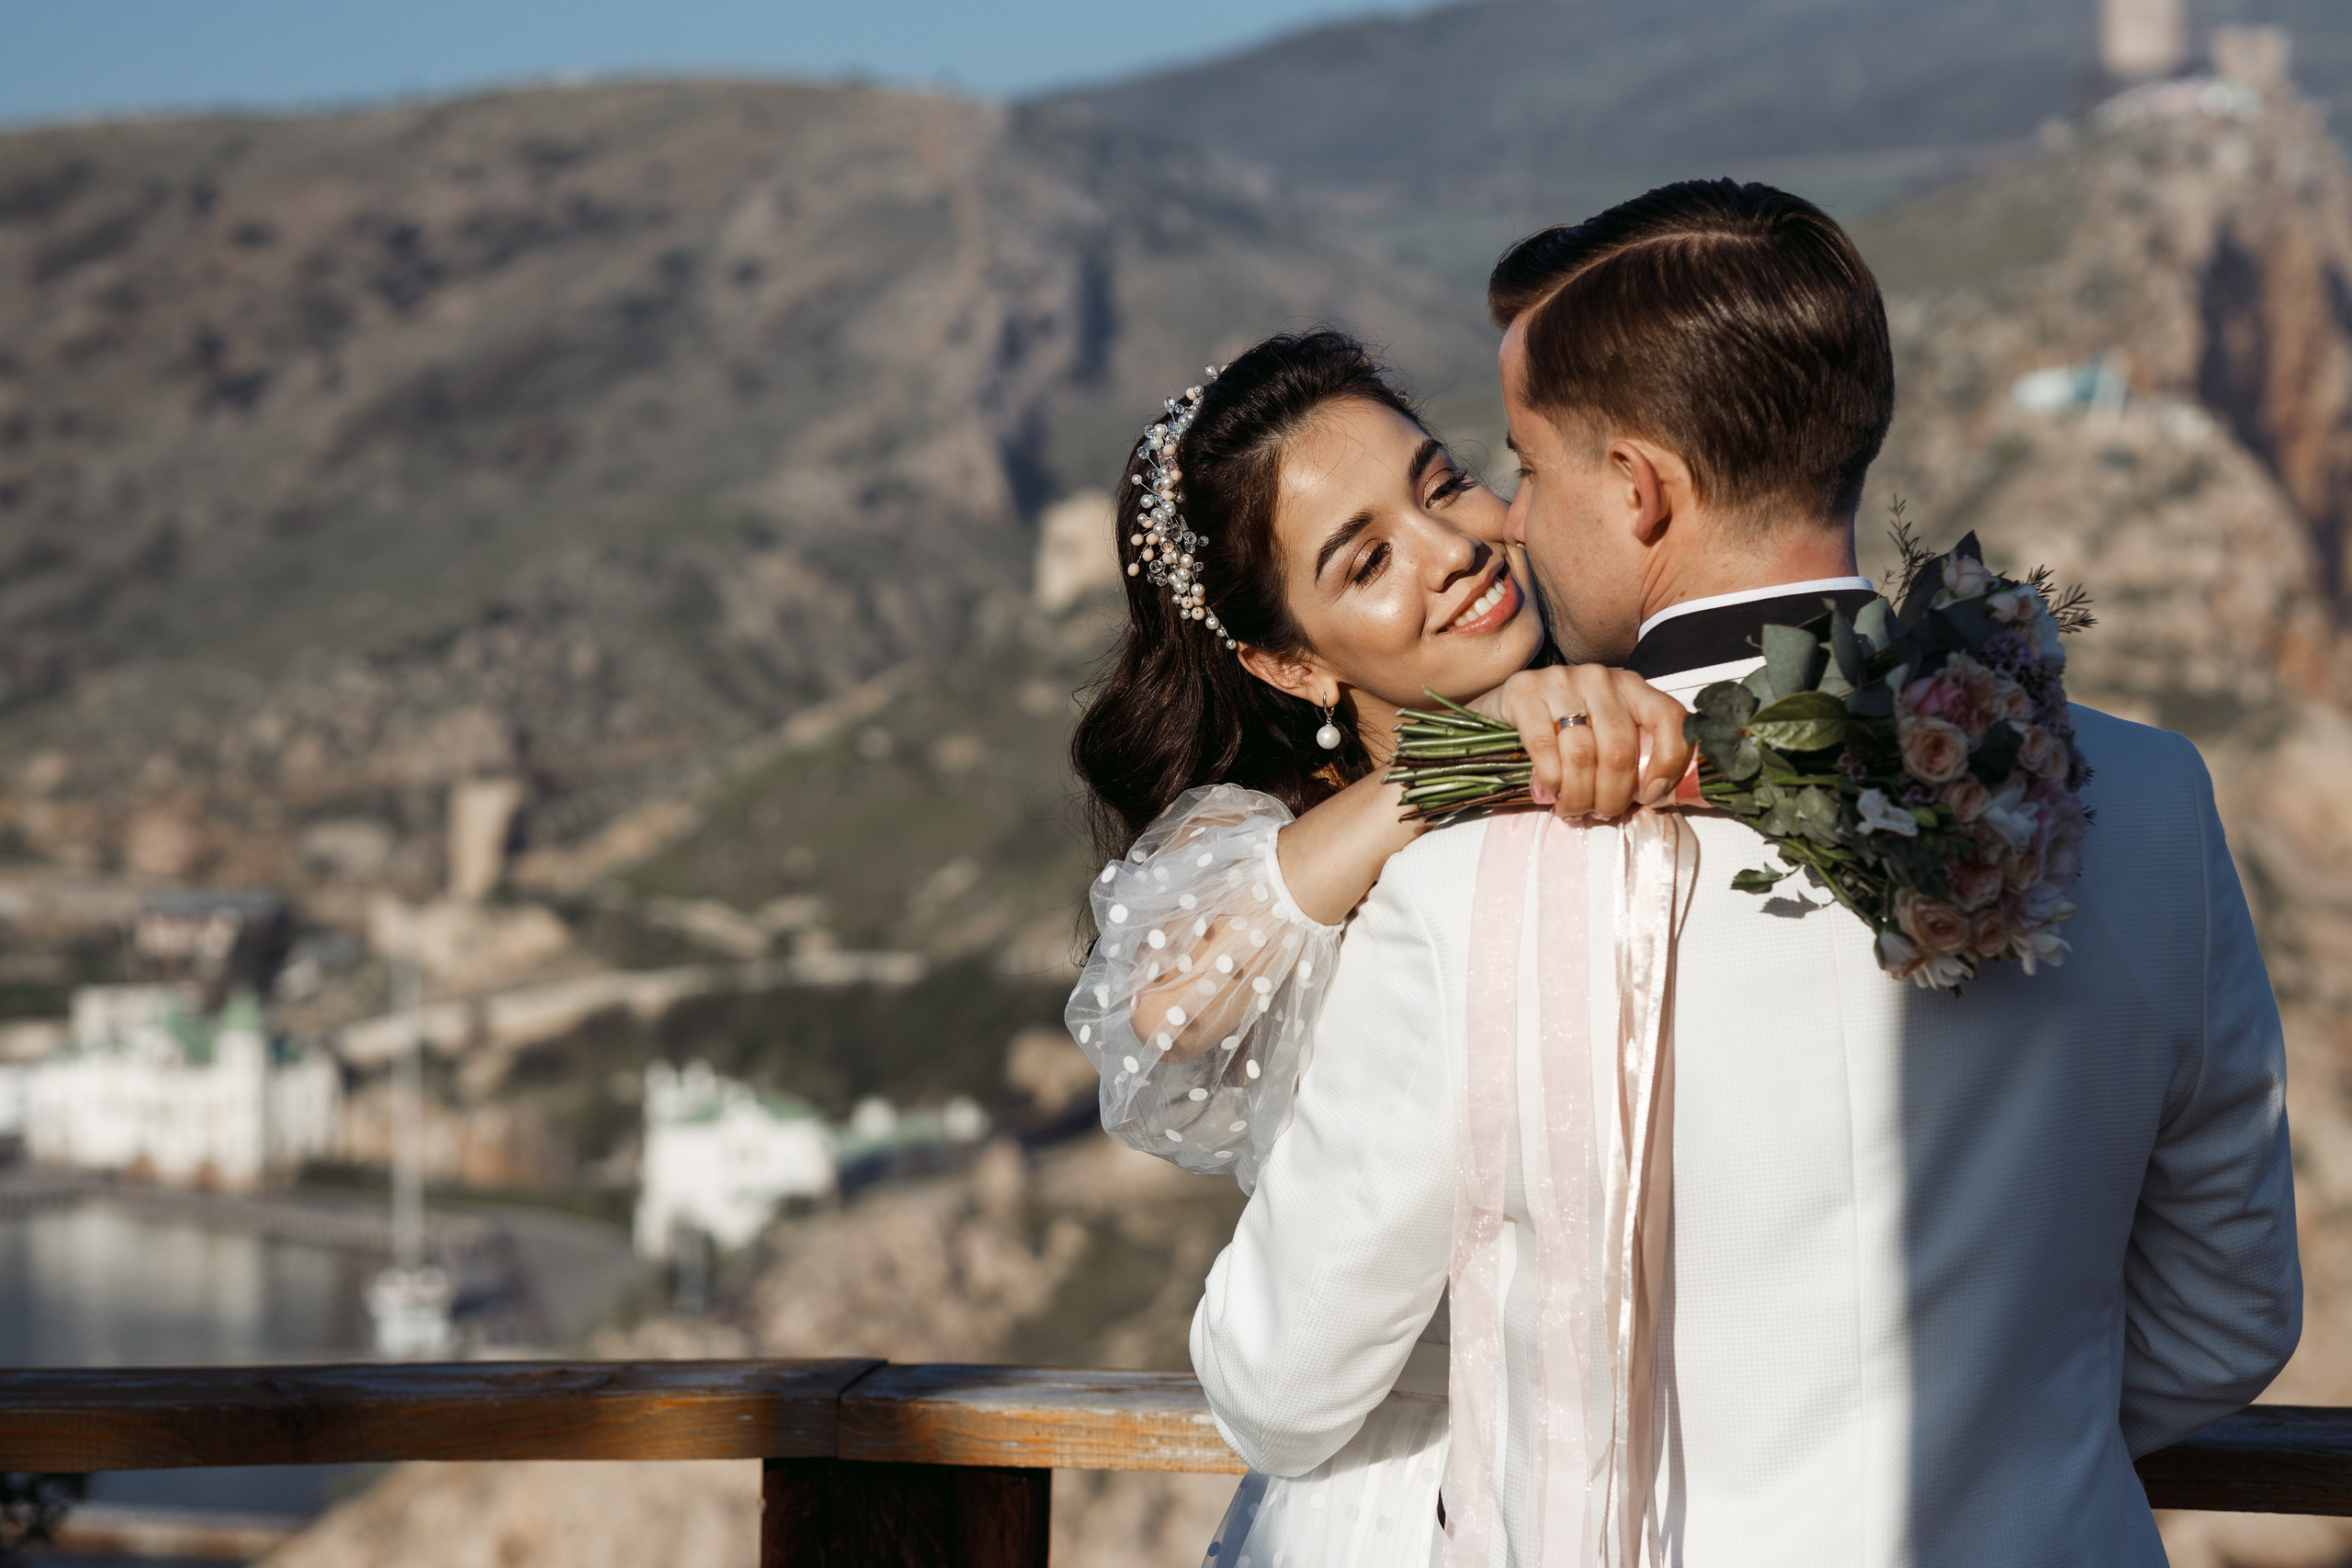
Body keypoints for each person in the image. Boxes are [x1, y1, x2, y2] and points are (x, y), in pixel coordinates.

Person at [1190, 180, 2302, 1566]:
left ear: (1639, 490)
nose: (1512, 521)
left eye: (1527, 466)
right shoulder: (2143, 799)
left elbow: (1279, 1384)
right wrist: (2011, 1456)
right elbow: (2231, 1318)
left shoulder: (1466, 878)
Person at [1064, 330, 1695, 1567]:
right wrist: (1470, 757)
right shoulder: (1268, 843)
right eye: (1367, 561)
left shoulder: (1622, 710)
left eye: (1443, 484)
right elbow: (1164, 1010)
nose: (1453, 550)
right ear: (1288, 661)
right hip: (1395, 1501)